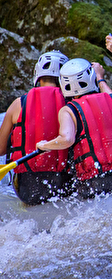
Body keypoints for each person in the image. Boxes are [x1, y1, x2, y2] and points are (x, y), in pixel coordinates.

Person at [36, 58, 112, 198]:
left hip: (96, 183)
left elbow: (67, 139)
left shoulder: (68, 110)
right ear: (91, 78)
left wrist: (45, 145)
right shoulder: (111, 100)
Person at [0, 50, 71, 205]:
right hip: (63, 181)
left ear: (37, 76)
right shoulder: (72, 104)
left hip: (27, 186)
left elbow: (1, 149)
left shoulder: (17, 104)